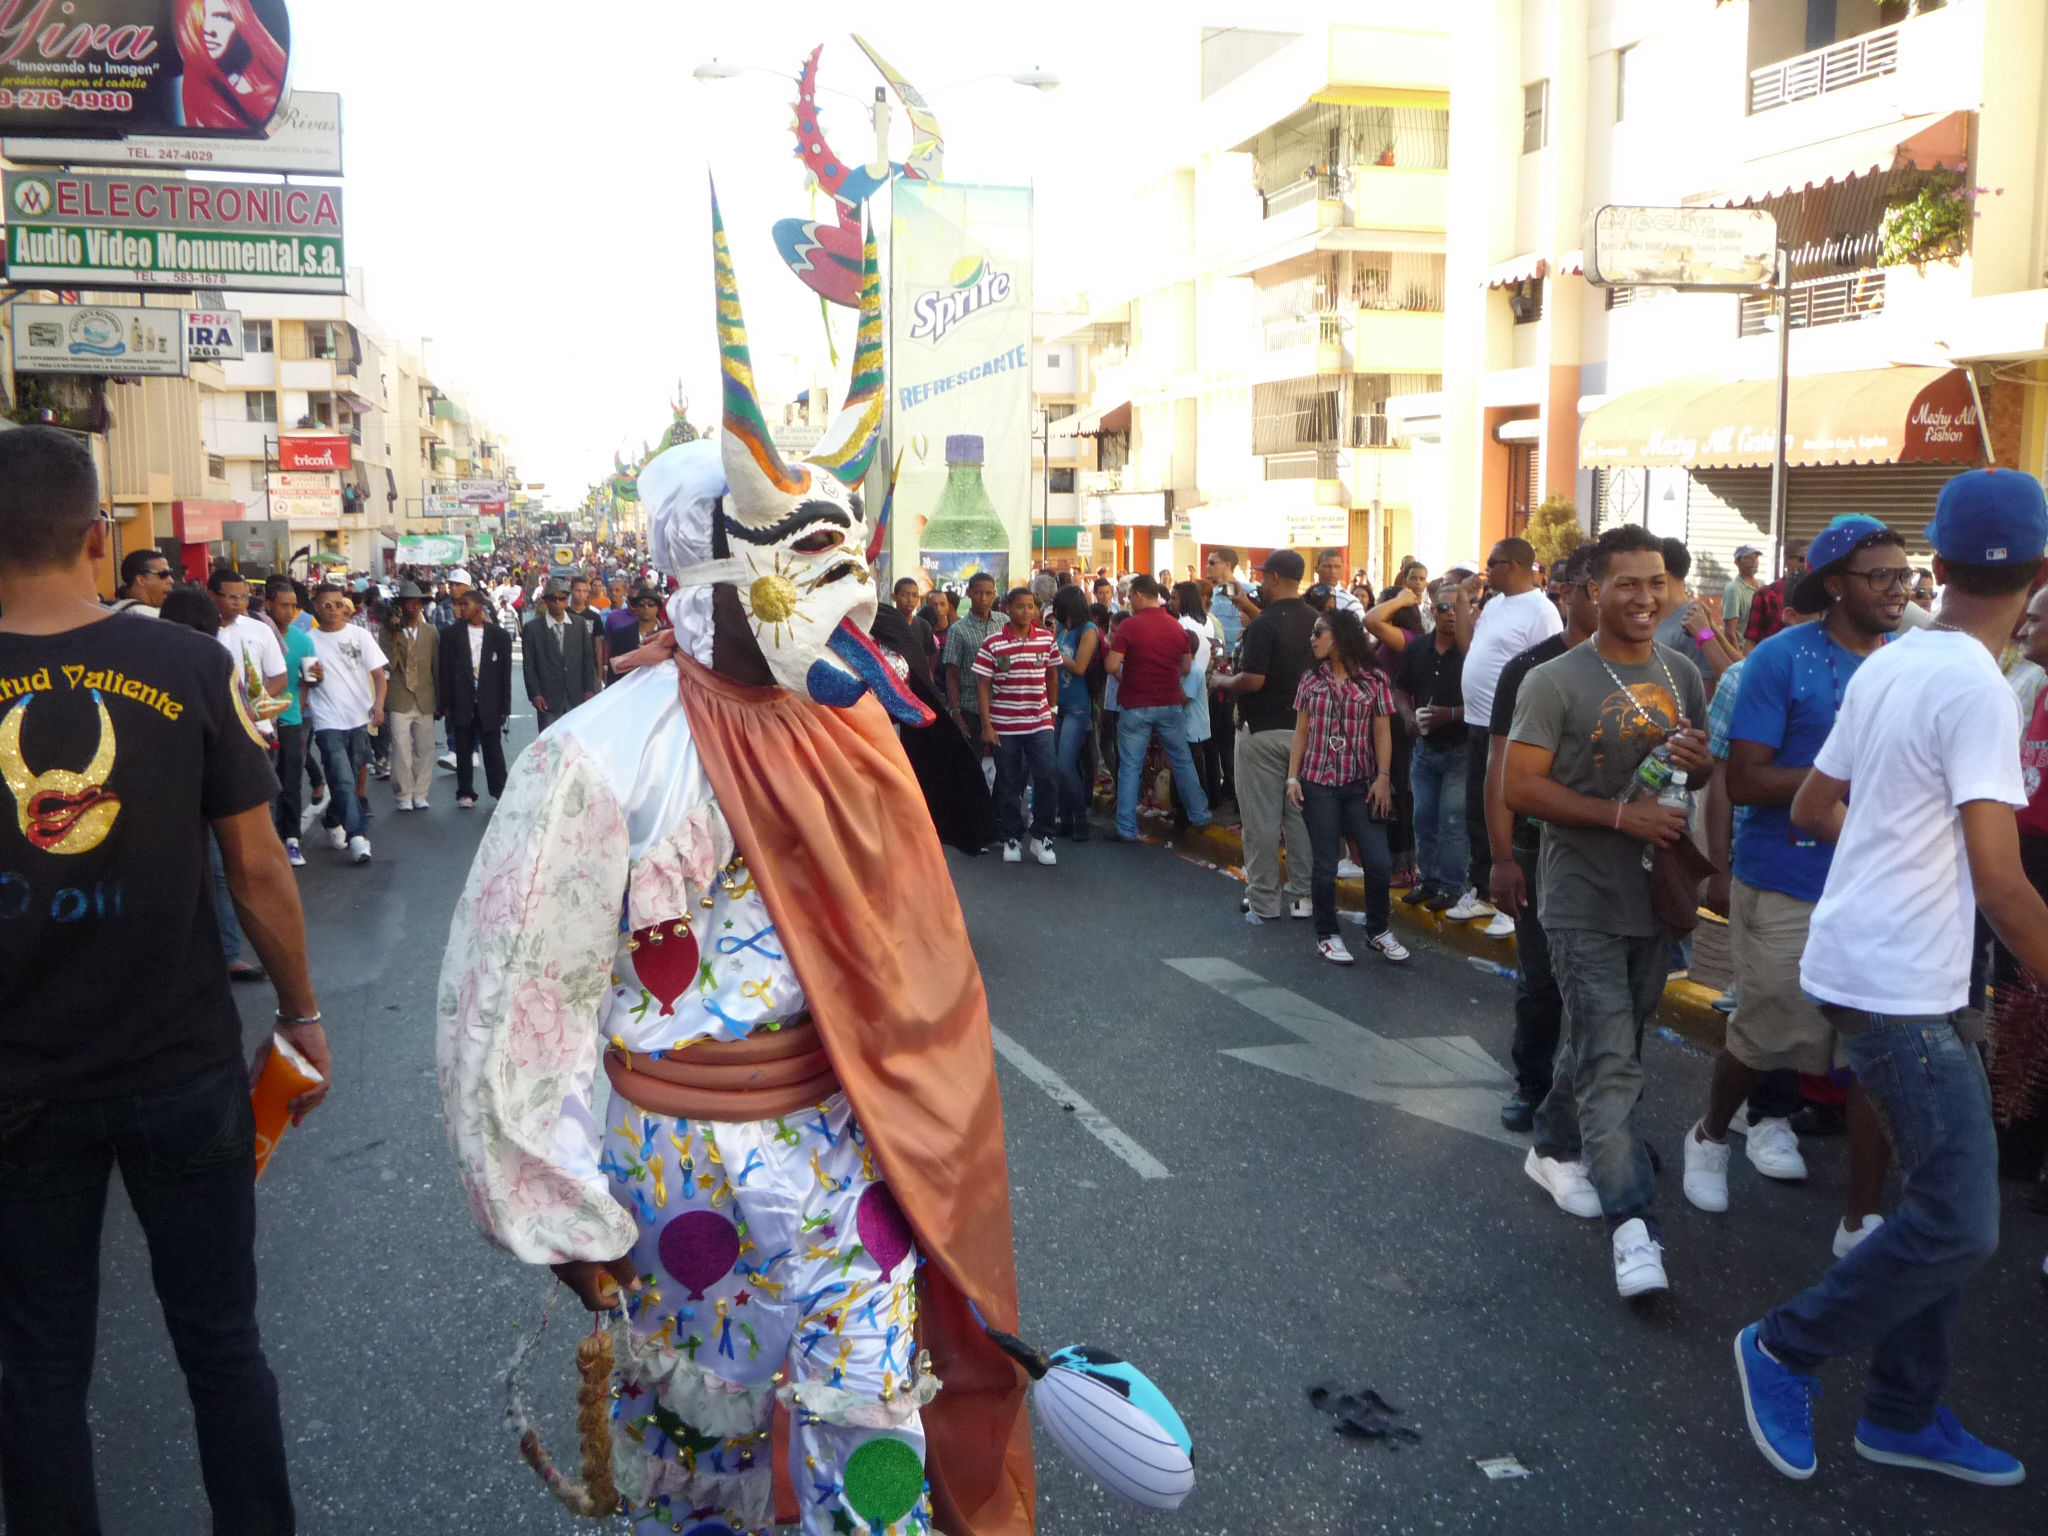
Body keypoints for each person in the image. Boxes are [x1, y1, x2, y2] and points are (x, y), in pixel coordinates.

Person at [437, 216, 1035, 1536]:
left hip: (848, 1150)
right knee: (696, 1460)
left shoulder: (856, 730)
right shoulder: (598, 760)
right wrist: (564, 1207)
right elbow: (511, 1005)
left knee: (871, 1438)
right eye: (795, 554)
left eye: (843, 550)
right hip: (676, 1178)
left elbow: (911, 958)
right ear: (698, 568)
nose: (845, 586)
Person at [0, 425, 325, 1536]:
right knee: (221, 1342)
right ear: (98, 535)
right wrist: (302, 1015)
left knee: (37, 1363)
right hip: (180, 1069)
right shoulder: (189, 665)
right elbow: (256, 867)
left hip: (17, 1086)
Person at [1735, 469, 2048, 1489]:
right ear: (2038, 574)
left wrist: (1901, 845)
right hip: (1899, 987)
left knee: (1935, 1203)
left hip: (1869, 960)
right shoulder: (1979, 690)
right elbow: (2001, 884)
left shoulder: (1894, 661)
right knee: (1959, 1219)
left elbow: (1816, 807)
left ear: (1935, 565)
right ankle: (1782, 1345)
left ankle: (1902, 1412)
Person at [1682, 517, 1908, 1248]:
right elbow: (1742, 779)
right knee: (1769, 1024)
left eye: (1906, 575)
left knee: (1875, 1046)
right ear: (1835, 585)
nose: (1899, 589)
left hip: (1882, 883)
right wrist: (1851, 786)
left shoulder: (1913, 661)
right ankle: (1713, 1132)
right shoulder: (1778, 661)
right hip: (1786, 876)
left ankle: (1861, 1216)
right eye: (1882, 576)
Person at [1505, 524, 1710, 1298]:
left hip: (1656, 897)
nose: (1646, 597)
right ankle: (1634, 1225)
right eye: (1628, 584)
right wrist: (1622, 820)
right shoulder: (1555, 681)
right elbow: (1520, 788)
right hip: (1581, 896)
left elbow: (1694, 772)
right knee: (1613, 1055)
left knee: (1608, 1041)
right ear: (1594, 591)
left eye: (1657, 583)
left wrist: (1698, 764)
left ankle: (1552, 1139)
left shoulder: (1681, 670)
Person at [1485, 549, 1597, 1130]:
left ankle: (1599, 1104)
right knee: (1541, 980)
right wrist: (1503, 857)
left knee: (1611, 993)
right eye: (1596, 586)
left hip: (1621, 856)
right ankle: (1532, 1084)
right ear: (1567, 592)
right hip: (1539, 849)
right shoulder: (1530, 671)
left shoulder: (1661, 669)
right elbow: (1499, 768)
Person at [1287, 608, 1406, 965]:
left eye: (1319, 632)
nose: (1313, 639)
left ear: (1338, 636)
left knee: (1378, 860)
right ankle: (1327, 934)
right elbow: (1301, 732)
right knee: (1325, 863)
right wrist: (1292, 777)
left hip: (1361, 783)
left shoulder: (1373, 679)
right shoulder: (1311, 678)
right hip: (1318, 780)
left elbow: (1382, 731)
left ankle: (1378, 929)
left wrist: (1383, 778)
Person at [1458, 538, 1563, 922]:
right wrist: (1461, 604)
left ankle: (1513, 902)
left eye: (1493, 562)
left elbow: (1548, 670)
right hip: (1477, 721)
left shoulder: (1541, 610)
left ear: (1516, 565)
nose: (1486, 569)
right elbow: (1471, 649)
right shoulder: (1495, 604)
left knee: (1511, 813)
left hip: (1512, 729)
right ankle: (1484, 890)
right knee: (1477, 811)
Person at [1217, 550, 1315, 921]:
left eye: (1262, 576)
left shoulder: (1264, 626)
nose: (1259, 581)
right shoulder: (1318, 622)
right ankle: (1304, 898)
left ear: (1274, 577)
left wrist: (1222, 680)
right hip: (1304, 733)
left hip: (1262, 732)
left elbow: (1254, 679)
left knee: (1260, 821)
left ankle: (1263, 901)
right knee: (1299, 819)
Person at [1106, 574, 1211, 843]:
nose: (1128, 601)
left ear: (1140, 594)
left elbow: (1111, 665)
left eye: (1130, 596)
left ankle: (1126, 828)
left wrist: (1125, 674)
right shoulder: (1176, 627)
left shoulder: (1129, 626)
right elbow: (1186, 666)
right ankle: (1200, 815)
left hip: (1137, 704)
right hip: (1170, 704)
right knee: (1182, 760)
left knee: (1130, 766)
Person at [1391, 580, 1467, 910]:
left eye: (1457, 607)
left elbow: (1489, 701)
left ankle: (1452, 886)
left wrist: (1450, 714)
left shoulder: (1473, 651)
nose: (1450, 614)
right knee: (1423, 817)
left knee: (1452, 820)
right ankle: (1429, 880)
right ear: (1433, 611)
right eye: (1444, 607)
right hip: (1424, 748)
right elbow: (1399, 688)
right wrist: (1407, 715)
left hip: (1460, 749)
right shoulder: (1417, 648)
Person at [974, 587, 1062, 865]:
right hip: (1004, 725)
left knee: (1047, 776)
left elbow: (1052, 675)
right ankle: (1012, 836)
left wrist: (1053, 708)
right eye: (1020, 606)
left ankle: (1042, 837)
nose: (1026, 611)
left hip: (1039, 722)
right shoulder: (993, 643)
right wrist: (986, 725)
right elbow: (983, 686)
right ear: (1008, 608)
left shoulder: (1047, 640)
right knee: (1010, 782)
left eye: (1031, 606)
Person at [307, 584, 387, 865]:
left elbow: (379, 674)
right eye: (325, 604)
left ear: (345, 606)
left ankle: (332, 819)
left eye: (337, 603)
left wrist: (378, 704)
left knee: (349, 780)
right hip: (327, 719)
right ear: (316, 607)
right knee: (341, 778)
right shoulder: (309, 640)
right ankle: (358, 837)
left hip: (358, 718)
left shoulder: (359, 635)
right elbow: (307, 680)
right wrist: (311, 677)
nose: (332, 609)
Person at [437, 588, 513, 807]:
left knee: (493, 748)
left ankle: (499, 789)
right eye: (458, 605)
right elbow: (445, 671)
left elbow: (505, 674)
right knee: (463, 746)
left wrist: (505, 705)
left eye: (465, 605)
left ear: (479, 607)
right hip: (461, 699)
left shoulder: (499, 636)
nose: (460, 609)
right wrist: (445, 704)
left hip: (490, 700)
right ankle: (465, 791)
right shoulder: (451, 635)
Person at [263, 576, 319, 867]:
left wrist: (304, 700)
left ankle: (292, 839)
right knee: (262, 785)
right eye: (283, 605)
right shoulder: (258, 635)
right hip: (259, 722)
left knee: (291, 782)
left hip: (292, 719)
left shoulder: (304, 641)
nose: (289, 611)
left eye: (294, 606)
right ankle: (267, 840)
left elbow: (310, 679)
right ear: (268, 604)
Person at [177, 0, 286, 132]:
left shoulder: (269, 80)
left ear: (241, 20)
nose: (208, 29)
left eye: (223, 17)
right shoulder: (186, 86)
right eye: (199, 16)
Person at [380, 580, 440, 813]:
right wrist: (395, 634)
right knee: (401, 747)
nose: (414, 608)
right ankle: (403, 793)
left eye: (417, 604)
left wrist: (440, 700)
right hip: (399, 696)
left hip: (425, 696)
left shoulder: (431, 632)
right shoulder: (388, 631)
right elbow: (387, 662)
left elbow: (436, 666)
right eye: (409, 603)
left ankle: (420, 792)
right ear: (401, 606)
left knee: (425, 748)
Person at [209, 566, 287, 744]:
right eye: (231, 597)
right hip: (214, 727)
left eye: (244, 597)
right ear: (211, 595)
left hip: (256, 728)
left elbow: (280, 677)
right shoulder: (201, 631)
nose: (238, 602)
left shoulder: (260, 630)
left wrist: (252, 706)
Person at [1050, 584, 1100, 840]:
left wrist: (1054, 654)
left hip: (1078, 705)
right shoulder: (1061, 629)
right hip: (1058, 703)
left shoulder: (1088, 630)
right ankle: (1065, 818)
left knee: (1065, 764)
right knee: (1056, 766)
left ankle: (1080, 819)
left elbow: (1080, 667)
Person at [522, 581, 600, 732]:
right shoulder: (533, 628)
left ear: (567, 599)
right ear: (545, 600)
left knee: (575, 744)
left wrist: (590, 689)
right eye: (552, 598)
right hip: (548, 698)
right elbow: (529, 666)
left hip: (577, 696)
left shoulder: (580, 624)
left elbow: (588, 659)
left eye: (562, 598)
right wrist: (535, 694)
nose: (557, 602)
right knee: (550, 746)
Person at [1175, 581, 1225, 815]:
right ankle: (1212, 797)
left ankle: (1193, 805)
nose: (1172, 603)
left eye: (1175, 598)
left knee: (1191, 759)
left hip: (1190, 692)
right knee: (1209, 751)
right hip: (1207, 688)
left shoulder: (1183, 624)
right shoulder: (1210, 622)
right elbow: (1219, 654)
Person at [942, 571, 1002, 745]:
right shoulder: (958, 630)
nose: (983, 598)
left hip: (1002, 707)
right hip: (971, 707)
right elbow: (951, 674)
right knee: (973, 765)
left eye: (988, 593)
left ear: (994, 595)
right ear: (969, 593)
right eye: (978, 593)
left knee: (1007, 766)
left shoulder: (1004, 622)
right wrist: (955, 713)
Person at [1745, 540, 1810, 646]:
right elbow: (1751, 641)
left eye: (1809, 560)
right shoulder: (1766, 594)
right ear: (1786, 560)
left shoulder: (1821, 593)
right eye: (1802, 559)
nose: (1806, 564)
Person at [110, 547, 175, 615]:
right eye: (164, 574)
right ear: (141, 580)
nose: (171, 581)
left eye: (170, 573)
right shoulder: (151, 617)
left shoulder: (112, 611)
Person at [1722, 544, 1765, 641]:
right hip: (1742, 650)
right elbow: (1729, 631)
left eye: (1756, 558)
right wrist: (1738, 656)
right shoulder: (1734, 589)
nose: (1754, 561)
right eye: (1749, 558)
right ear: (1737, 562)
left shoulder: (1761, 586)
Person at [1316, 548, 1365, 617]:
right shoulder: (1307, 599)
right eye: (1327, 566)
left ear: (1342, 569)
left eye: (1337, 567)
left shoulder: (1351, 603)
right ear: (1317, 569)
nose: (1332, 571)